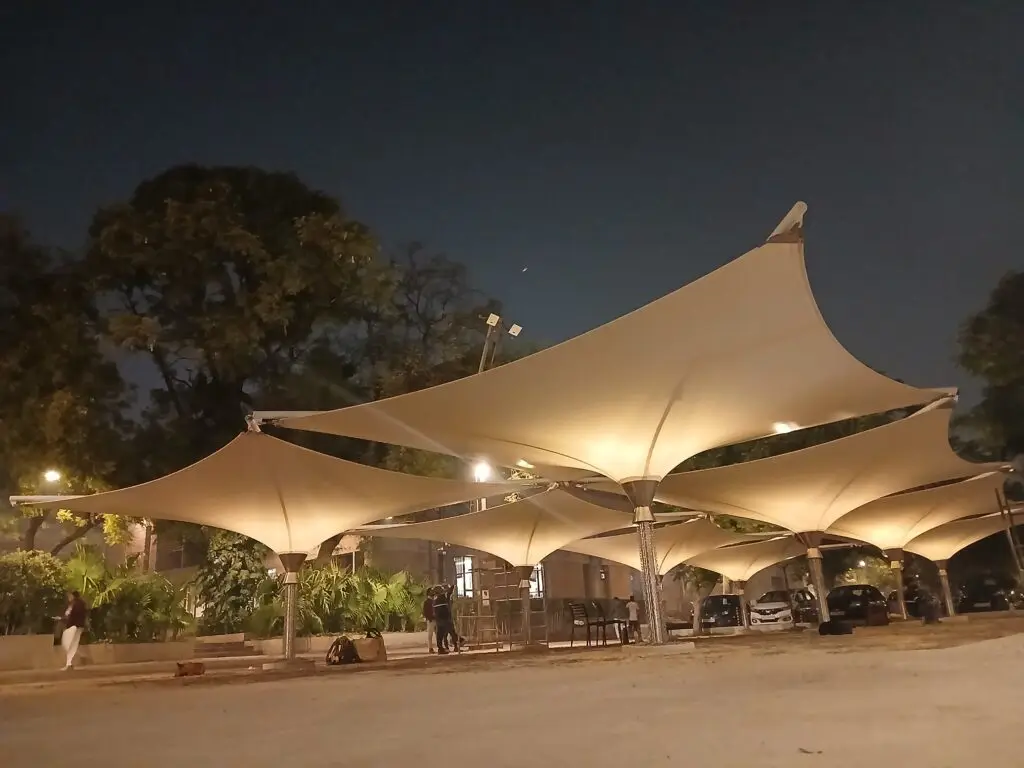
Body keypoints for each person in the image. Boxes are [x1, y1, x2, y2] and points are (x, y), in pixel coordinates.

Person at [61, 591, 87, 670]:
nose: (68, 597)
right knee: (73, 644)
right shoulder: (81, 603)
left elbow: (72, 615)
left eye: (69, 596)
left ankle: (69, 663)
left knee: (67, 643)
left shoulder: (74, 604)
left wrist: (65, 620)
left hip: (73, 626)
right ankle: (69, 663)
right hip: (79, 626)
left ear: (73, 596)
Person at [423, 587, 437, 654]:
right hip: (431, 620)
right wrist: (429, 618)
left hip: (435, 619)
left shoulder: (434, 601)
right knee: (430, 635)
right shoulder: (427, 602)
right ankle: (430, 648)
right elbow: (425, 612)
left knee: (437, 634)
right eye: (431, 591)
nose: (433, 592)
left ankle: (439, 647)